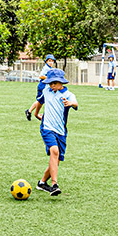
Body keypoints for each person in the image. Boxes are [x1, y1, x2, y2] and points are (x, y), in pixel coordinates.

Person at [29, 68, 78, 196]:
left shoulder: (68, 95)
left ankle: (42, 182)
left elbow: (76, 104)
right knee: (54, 151)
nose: (52, 85)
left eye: (54, 83)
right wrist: (35, 113)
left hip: (61, 131)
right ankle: (54, 184)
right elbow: (40, 101)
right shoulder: (46, 91)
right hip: (46, 127)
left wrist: (70, 103)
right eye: (50, 83)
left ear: (61, 82)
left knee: (56, 160)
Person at [25, 54, 57, 121]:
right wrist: (50, 78)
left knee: (41, 100)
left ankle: (29, 111)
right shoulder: (46, 68)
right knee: (41, 101)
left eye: (52, 61)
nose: (51, 62)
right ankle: (32, 112)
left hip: (46, 87)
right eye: (49, 61)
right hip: (43, 86)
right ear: (46, 61)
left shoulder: (50, 68)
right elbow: (41, 76)